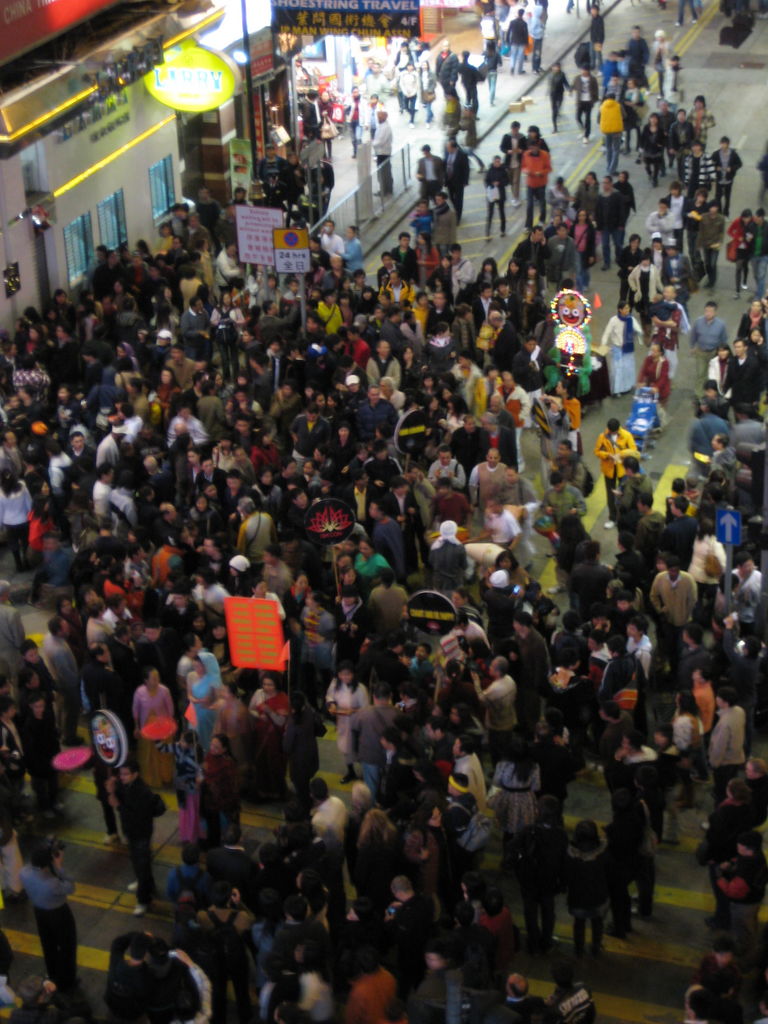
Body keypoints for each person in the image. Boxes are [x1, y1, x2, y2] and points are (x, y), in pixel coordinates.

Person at [107, 758, 163, 916]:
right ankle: (145, 884)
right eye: (121, 774)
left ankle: (143, 900)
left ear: (135, 774)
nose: (122, 777)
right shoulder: (125, 785)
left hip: (141, 833)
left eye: (125, 774)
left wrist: (118, 805)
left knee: (142, 864)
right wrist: (112, 790)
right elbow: (116, 796)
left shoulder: (142, 792)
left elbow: (134, 814)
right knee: (137, 861)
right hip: (131, 832)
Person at [20, 840, 77, 991]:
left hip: (40, 913)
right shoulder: (51, 882)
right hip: (59, 914)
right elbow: (71, 887)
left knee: (48, 944)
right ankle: (68, 981)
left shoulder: (24, 872)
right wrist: (59, 867)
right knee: (67, 946)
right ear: (48, 861)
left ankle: (53, 975)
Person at [593, 418, 639, 528]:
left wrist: (620, 454)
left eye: (614, 431)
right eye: (611, 431)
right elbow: (597, 451)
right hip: (609, 470)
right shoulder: (602, 437)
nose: (613, 433)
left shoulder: (627, 435)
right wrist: (607, 455)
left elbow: (633, 450)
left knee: (625, 494)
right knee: (610, 495)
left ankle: (624, 517)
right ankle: (612, 518)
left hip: (623, 470)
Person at [283, 690, 319, 812]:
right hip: (311, 754)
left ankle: (305, 810)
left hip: (298, 761)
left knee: (301, 789)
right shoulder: (310, 712)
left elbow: (287, 746)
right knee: (305, 784)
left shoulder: (293, 723)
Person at [603, 301, 641, 396]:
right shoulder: (613, 320)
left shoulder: (631, 319)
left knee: (628, 368)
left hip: (628, 349)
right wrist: (603, 344)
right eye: (626, 308)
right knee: (617, 369)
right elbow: (607, 332)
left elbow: (639, 330)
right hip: (617, 349)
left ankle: (627, 386)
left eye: (628, 308)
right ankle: (616, 390)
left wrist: (635, 333)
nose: (628, 310)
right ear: (620, 310)